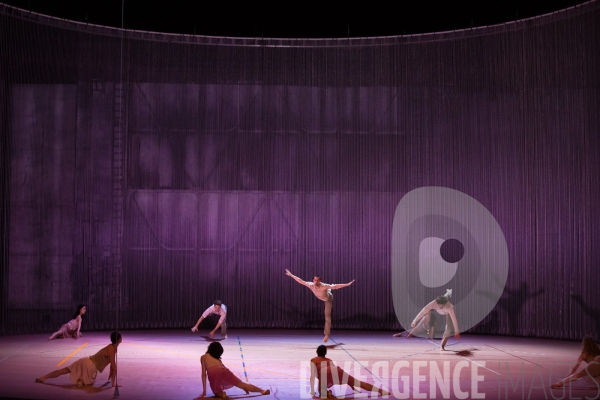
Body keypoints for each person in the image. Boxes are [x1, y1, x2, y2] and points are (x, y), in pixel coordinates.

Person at [285, 269, 355, 342]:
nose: (316, 282)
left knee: (327, 315)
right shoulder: (311, 285)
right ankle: (329, 290)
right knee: (329, 289)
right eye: (315, 280)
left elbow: (336, 286)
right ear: (313, 280)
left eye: (318, 280)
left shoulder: (323, 286)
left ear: (320, 281)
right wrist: (291, 275)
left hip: (328, 299)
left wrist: (347, 284)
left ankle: (327, 335)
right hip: (322, 296)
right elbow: (301, 281)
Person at [36, 331, 122, 388]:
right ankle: (81, 380)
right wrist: (113, 384)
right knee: (88, 381)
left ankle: (43, 377)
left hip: (87, 362)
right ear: (119, 339)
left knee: (65, 370)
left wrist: (113, 381)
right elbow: (113, 366)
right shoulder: (112, 349)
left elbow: (112, 366)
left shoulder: (112, 348)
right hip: (90, 366)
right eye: (121, 337)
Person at [310, 345, 390, 399]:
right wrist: (350, 384)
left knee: (321, 393)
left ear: (317, 352)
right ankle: (381, 391)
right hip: (337, 370)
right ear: (325, 353)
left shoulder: (314, 360)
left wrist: (313, 391)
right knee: (359, 383)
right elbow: (334, 373)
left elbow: (313, 376)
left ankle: (327, 393)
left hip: (324, 373)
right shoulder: (329, 360)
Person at [199, 342, 269, 398]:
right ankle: (262, 391)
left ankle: (221, 394)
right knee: (243, 384)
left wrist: (204, 391)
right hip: (223, 370)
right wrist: (242, 387)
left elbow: (204, 374)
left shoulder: (204, 357)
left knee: (216, 391)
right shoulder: (218, 360)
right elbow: (222, 369)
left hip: (212, 373)